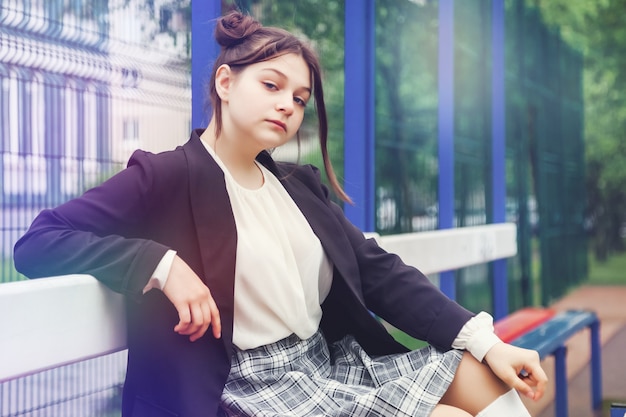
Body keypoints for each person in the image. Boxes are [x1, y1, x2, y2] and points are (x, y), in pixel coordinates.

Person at [14, 10, 547, 417]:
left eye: (299, 97)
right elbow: (37, 242)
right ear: (225, 84)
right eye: (271, 86)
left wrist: (487, 341)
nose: (288, 106)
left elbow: (378, 272)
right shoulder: (167, 175)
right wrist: (160, 264)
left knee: (492, 381)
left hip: (327, 364)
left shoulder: (297, 185)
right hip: (250, 390)